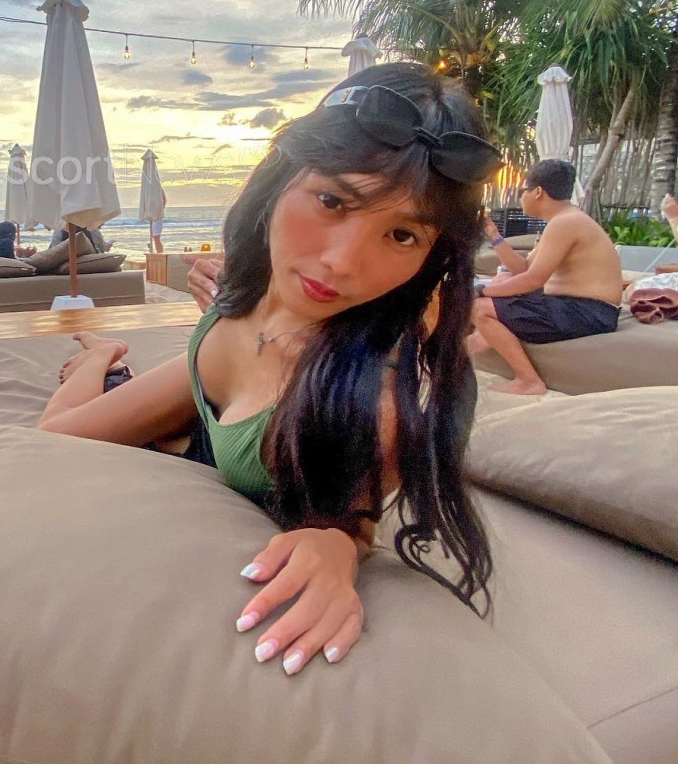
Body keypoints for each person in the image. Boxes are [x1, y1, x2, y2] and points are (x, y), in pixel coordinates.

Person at [37, 63, 500, 674]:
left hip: (224, 404)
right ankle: (99, 357)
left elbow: (350, 515)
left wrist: (338, 546)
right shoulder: (255, 280)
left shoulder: (372, 397)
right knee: (50, 440)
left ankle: (101, 358)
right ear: (281, 177)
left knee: (59, 438)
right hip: (212, 376)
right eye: (332, 200)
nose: (342, 262)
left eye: (402, 236)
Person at [469, 160, 623, 396]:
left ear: (538, 192)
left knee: (480, 308)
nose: (521, 198)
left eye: (523, 191)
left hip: (589, 312)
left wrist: (480, 290)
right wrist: (494, 235)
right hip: (579, 308)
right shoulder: (564, 220)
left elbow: (533, 280)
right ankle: (457, 353)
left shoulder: (566, 222)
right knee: (500, 286)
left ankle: (529, 381)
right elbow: (522, 269)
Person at [150, 190, 168, 254]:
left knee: (156, 238)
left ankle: (160, 253)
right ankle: (159, 253)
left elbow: (163, 203)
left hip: (157, 219)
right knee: (155, 238)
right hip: (154, 219)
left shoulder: (161, 200)